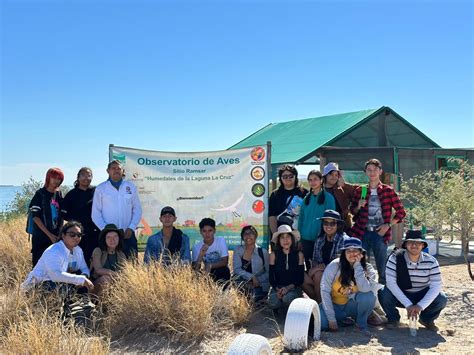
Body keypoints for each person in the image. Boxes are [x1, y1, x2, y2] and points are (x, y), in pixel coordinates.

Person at [350, 158, 406, 284]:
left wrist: (388, 225)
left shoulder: (388, 190)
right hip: (362, 232)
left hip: (380, 234)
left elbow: (401, 212)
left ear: (380, 171)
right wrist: (358, 206)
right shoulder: (361, 190)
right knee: (361, 265)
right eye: (369, 170)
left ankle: (383, 294)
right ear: (365, 172)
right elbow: (352, 211)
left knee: (382, 267)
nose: (372, 172)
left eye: (375, 170)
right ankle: (365, 292)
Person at [379, 230, 447, 331]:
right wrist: (408, 305)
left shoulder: (432, 261)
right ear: (405, 244)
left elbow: (436, 286)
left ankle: (427, 319)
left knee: (441, 298)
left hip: (422, 293)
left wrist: (420, 306)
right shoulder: (395, 258)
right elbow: (391, 283)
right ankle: (393, 319)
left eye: (418, 242)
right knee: (384, 293)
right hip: (402, 293)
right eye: (411, 242)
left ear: (423, 245)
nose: (414, 245)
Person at [319, 237, 377, 335]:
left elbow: (365, 289)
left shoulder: (368, 268)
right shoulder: (334, 266)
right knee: (323, 324)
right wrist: (331, 318)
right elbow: (324, 291)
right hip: (335, 306)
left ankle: (361, 324)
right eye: (348, 250)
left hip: (352, 306)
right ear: (344, 253)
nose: (351, 253)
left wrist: (357, 266)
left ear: (361, 253)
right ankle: (342, 320)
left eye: (355, 250)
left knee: (368, 297)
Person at [21, 221, 94, 293]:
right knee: (61, 286)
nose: (76, 237)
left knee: (82, 280)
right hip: (37, 286)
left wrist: (84, 276)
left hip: (60, 283)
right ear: (63, 235)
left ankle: (79, 301)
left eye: (79, 235)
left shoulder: (78, 250)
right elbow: (56, 275)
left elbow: (84, 268)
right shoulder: (54, 250)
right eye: (72, 234)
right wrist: (81, 280)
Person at [92, 160, 142, 258]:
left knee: (132, 266)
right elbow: (96, 213)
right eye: (113, 168)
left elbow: (137, 209)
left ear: (123, 171)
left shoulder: (131, 187)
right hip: (108, 237)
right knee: (110, 267)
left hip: (128, 234)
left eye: (119, 168)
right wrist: (106, 231)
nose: (116, 170)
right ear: (108, 171)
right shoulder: (100, 188)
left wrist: (131, 227)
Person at [303, 210, 346, 302]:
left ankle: (321, 307)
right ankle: (320, 303)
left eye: (332, 223)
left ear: (338, 225)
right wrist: (317, 268)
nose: (328, 226)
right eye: (326, 223)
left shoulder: (344, 240)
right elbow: (315, 260)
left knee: (318, 276)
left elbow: (339, 265)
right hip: (320, 273)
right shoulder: (320, 240)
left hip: (338, 277)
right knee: (300, 277)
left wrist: (316, 269)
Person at [298, 170, 336, 270]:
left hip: (321, 238)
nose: (312, 182)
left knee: (321, 267)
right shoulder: (306, 198)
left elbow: (331, 219)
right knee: (309, 266)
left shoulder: (329, 198)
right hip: (305, 239)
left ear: (321, 180)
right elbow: (301, 218)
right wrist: (300, 235)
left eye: (315, 179)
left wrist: (326, 235)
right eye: (310, 180)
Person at [28, 167, 65, 267]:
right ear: (48, 178)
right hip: (41, 237)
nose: (56, 181)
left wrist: (60, 233)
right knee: (39, 265)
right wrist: (49, 235)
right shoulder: (40, 194)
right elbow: (35, 217)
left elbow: (62, 215)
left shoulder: (59, 194)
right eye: (54, 177)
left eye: (59, 179)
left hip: (56, 236)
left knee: (55, 265)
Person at [63, 167, 100, 265]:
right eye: (83, 175)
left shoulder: (96, 191)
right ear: (78, 177)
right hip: (76, 235)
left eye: (89, 175)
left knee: (95, 260)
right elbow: (64, 215)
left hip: (94, 234)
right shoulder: (71, 195)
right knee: (78, 261)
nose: (86, 178)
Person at [267, 225, 305, 312]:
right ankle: (280, 305)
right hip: (278, 287)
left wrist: (287, 288)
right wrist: (278, 290)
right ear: (278, 241)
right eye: (282, 237)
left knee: (287, 298)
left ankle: (291, 307)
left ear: (292, 239)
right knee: (272, 303)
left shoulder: (299, 255)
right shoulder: (273, 255)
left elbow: (300, 279)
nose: (285, 240)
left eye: (288, 236)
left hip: (294, 287)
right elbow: (271, 278)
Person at [232, 225, 270, 301]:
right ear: (242, 237)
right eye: (245, 234)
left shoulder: (263, 252)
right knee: (235, 280)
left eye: (251, 233)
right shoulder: (238, 250)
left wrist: (257, 280)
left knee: (255, 300)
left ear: (255, 236)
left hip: (259, 284)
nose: (248, 236)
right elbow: (237, 269)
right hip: (244, 283)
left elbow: (268, 272)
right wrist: (251, 277)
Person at [268, 165, 308, 234]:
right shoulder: (275, 195)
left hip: (301, 234)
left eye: (291, 176)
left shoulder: (305, 193)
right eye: (285, 176)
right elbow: (272, 217)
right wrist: (275, 236)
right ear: (280, 178)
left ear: (295, 176)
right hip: (281, 235)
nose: (288, 178)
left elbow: (308, 215)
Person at [90, 224, 127, 296]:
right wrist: (113, 273)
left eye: (115, 237)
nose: (112, 240)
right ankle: (100, 305)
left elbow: (124, 272)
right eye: (108, 237)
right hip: (96, 286)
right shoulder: (98, 251)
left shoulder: (121, 254)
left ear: (119, 239)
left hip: (115, 283)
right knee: (106, 279)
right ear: (104, 239)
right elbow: (98, 270)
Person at [192, 218, 230, 283]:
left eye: (210, 231)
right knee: (196, 276)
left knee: (224, 270)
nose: (207, 234)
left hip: (221, 271)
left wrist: (209, 266)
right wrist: (201, 255)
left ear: (214, 231)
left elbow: (225, 262)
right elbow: (196, 269)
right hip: (207, 272)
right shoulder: (196, 247)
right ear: (200, 232)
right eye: (204, 231)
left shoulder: (220, 240)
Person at [322, 162, 357, 233]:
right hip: (325, 227)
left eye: (336, 175)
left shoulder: (342, 189)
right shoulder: (319, 190)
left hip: (343, 227)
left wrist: (344, 185)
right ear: (325, 175)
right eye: (331, 174)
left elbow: (361, 190)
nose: (334, 177)